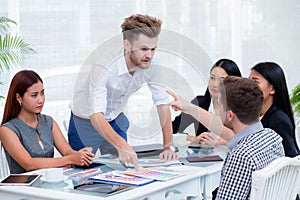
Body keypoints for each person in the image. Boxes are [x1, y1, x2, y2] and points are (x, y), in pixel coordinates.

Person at [68, 14, 178, 169]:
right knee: (82, 177)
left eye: (153, 49)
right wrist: (121, 145)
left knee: (126, 171)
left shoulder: (153, 62)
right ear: (127, 45)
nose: (150, 55)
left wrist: (168, 146)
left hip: (115, 119)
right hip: (85, 123)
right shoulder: (103, 63)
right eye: (144, 49)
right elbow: (96, 115)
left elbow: (162, 102)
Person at [168, 76, 284, 199]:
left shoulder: (241, 156)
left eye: (218, 106)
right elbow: (220, 128)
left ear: (229, 115)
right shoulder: (273, 138)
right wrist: (189, 107)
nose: (216, 112)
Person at [0, 70, 94, 174]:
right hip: (23, 189)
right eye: (34, 95)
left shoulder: (49, 122)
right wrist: (71, 159)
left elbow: (67, 152)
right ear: (19, 98)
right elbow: (29, 164)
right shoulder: (7, 130)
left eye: (42, 93)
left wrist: (80, 155)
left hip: (50, 183)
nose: (41, 100)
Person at [172, 58, 241, 145]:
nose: (215, 84)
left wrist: (220, 142)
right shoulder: (200, 103)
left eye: (222, 80)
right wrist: (194, 139)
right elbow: (171, 130)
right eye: (212, 78)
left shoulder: (241, 106)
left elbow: (247, 138)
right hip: (203, 156)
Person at [249, 62, 300, 157]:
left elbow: (290, 159)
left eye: (255, 82)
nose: (249, 86)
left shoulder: (279, 120)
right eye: (249, 81)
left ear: (272, 89)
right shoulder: (255, 115)